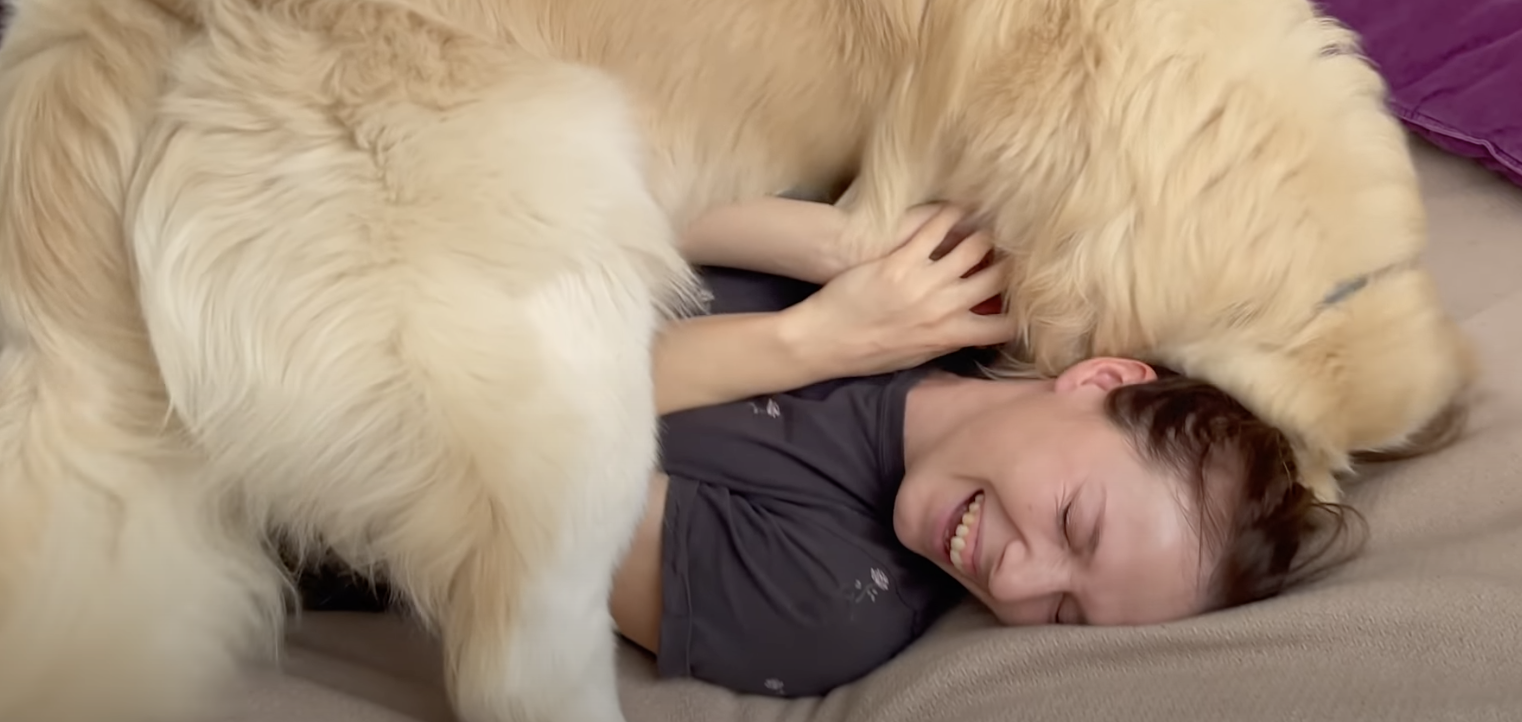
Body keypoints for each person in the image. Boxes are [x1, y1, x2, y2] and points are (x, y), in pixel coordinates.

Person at [299, 198, 1357, 698]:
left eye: (1066, 612)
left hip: (293, 418)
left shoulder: (826, 602)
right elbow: (621, 184)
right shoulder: (944, 274)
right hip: (374, 223)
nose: (1016, 575)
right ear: (1100, 379)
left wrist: (811, 338)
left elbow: (490, 424)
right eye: (1073, 521)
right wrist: (831, 244)